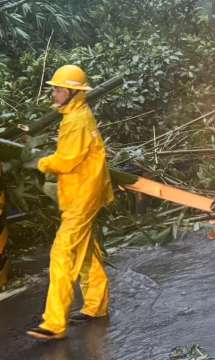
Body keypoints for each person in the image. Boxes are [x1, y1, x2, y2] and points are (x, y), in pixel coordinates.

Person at [26, 65, 114, 340]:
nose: (54, 92)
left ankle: (54, 324)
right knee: (86, 252)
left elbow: (66, 161)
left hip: (81, 197)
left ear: (71, 92)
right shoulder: (76, 115)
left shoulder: (76, 120)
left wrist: (38, 162)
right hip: (85, 192)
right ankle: (96, 306)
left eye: (58, 89)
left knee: (62, 254)